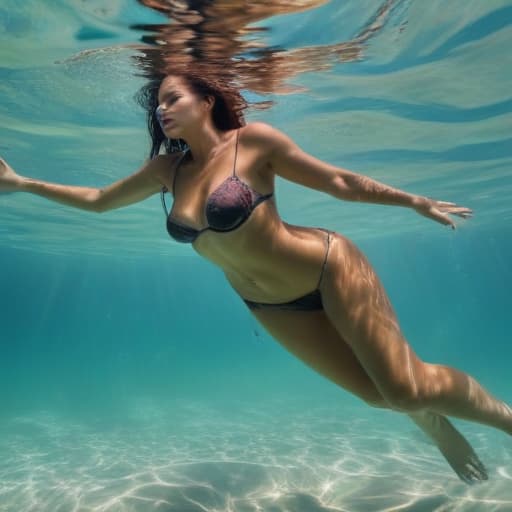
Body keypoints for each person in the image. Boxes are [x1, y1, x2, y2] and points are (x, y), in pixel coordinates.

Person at [1, 71, 510, 485]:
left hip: (330, 268)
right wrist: (21, 182)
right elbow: (98, 202)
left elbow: (336, 181)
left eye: (172, 98)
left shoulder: (254, 143)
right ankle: (433, 421)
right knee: (380, 396)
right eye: (157, 105)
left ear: (205, 101)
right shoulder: (166, 170)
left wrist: (411, 200)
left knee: (405, 388)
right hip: (270, 306)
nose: (162, 110)